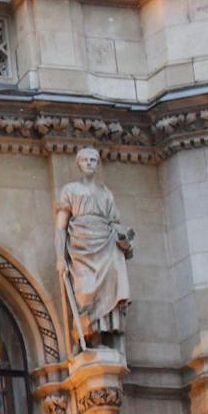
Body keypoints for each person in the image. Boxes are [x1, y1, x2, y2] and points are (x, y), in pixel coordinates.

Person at [54, 147, 134, 348]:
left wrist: (124, 237)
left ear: (97, 164)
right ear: (79, 164)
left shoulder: (105, 193)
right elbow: (61, 227)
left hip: (106, 244)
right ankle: (84, 337)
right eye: (85, 160)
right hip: (81, 246)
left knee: (108, 292)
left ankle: (100, 339)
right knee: (85, 292)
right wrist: (60, 257)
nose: (89, 163)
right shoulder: (71, 190)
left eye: (93, 160)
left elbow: (114, 222)